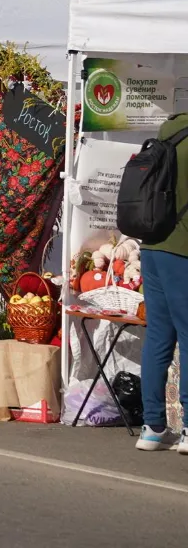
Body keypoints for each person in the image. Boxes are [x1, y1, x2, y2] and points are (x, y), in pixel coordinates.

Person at [136, 113, 188, 454]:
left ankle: (153, 427)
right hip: (182, 251)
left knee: (158, 335)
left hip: (152, 245)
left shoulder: (169, 131)